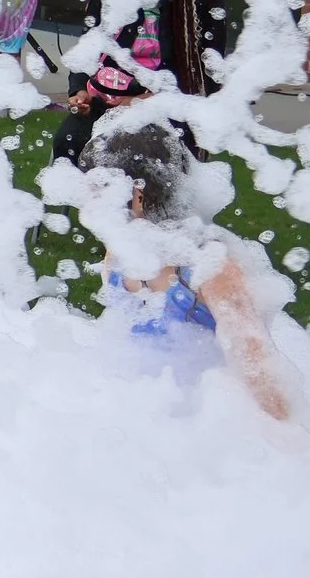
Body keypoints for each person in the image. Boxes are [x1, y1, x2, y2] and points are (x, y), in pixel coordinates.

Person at [79, 122, 290, 420]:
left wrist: (289, 441)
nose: (86, 204)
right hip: (140, 408)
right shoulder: (119, 253)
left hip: (208, 419)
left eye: (96, 191)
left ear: (137, 196)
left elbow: (259, 371)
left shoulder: (209, 266)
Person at [54, 0, 224, 164]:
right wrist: (79, 91)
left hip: (166, 108)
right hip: (104, 103)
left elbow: (210, 75)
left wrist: (147, 101)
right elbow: (87, 50)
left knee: (136, 157)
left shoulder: (199, 2)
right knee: (68, 140)